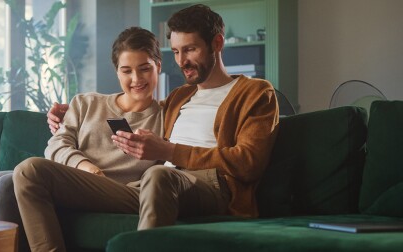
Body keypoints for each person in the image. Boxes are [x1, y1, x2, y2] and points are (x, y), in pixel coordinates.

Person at [22, 4, 279, 251]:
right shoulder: (179, 97)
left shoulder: (255, 92)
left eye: (190, 49)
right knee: (30, 170)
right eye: (176, 51)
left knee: (158, 175)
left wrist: (169, 151)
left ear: (217, 43)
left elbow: (248, 162)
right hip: (151, 187)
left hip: (210, 186)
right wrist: (70, 112)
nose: (181, 61)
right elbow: (138, 106)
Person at [0, 26, 165, 252]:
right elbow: (56, 145)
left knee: (10, 183)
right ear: (117, 71)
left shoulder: (166, 117)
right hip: (66, 176)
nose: (136, 79)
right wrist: (87, 167)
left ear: (158, 66)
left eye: (144, 69)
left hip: (113, 191)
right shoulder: (86, 103)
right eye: (126, 71)